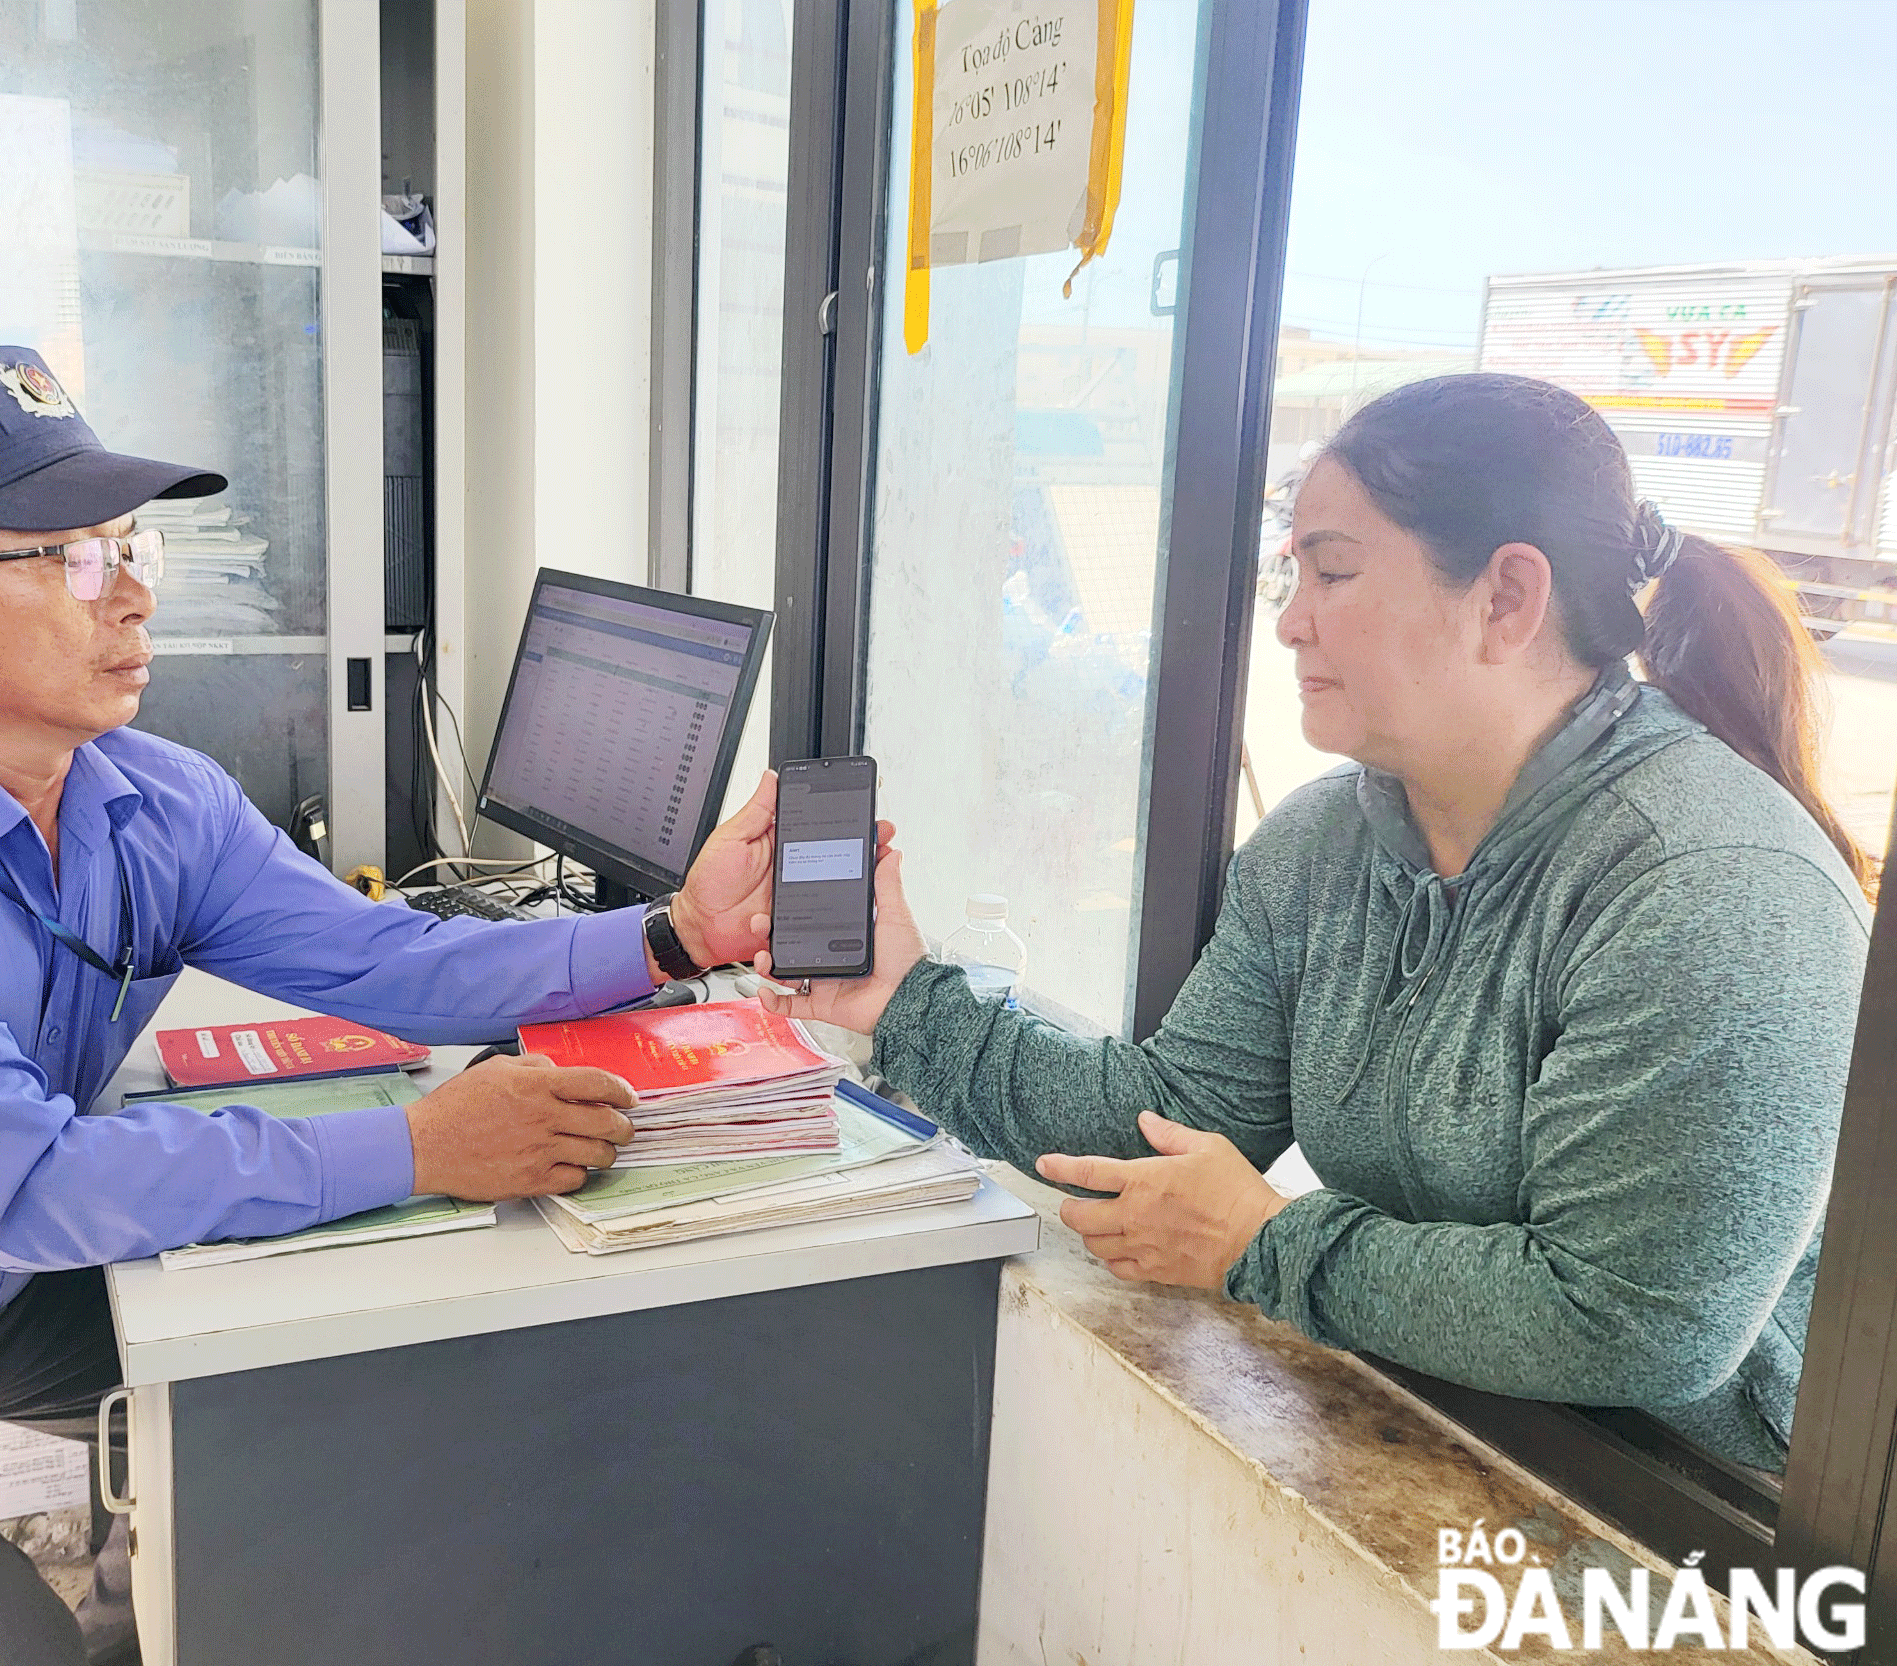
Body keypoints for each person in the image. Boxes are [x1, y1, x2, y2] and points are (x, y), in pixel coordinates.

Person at [0, 346, 784, 1666]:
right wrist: (418, 1147)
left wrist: (672, 935)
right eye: (66, 557)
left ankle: (145, 1631)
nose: (129, 599)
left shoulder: (152, 797)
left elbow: (388, 964)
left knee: (303, 1380)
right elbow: (33, 1184)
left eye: (131, 547)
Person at [761, 372, 1872, 1471]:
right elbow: (1169, 1120)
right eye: (1292, 575)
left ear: (1506, 600)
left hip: (1697, 1523)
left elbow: (1638, 1325)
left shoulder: (1706, 884)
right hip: (1445, 1423)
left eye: (1332, 572)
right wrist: (904, 999)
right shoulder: (1322, 843)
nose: (1288, 624)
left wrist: (1262, 1243)